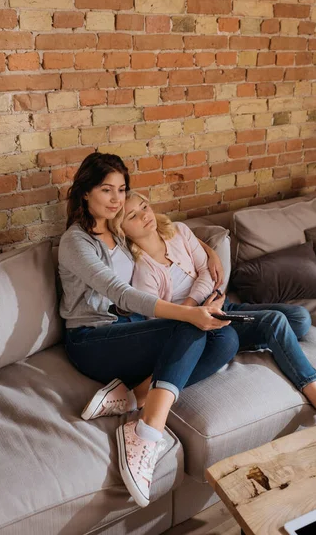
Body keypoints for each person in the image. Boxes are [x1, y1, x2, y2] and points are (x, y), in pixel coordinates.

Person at [86, 190, 316, 430]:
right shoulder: (142, 270)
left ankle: (248, 337)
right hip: (200, 322)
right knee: (274, 322)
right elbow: (157, 317)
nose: (144, 216)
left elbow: (209, 273)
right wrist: (193, 309)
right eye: (132, 216)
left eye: (144, 207)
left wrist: (208, 297)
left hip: (221, 305)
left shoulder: (180, 232)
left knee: (299, 318)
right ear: (121, 230)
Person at [58, 152, 239, 509]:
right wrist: (189, 314)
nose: (117, 200)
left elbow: (163, 235)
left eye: (122, 190)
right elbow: (122, 292)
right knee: (190, 325)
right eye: (106, 190)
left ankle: (133, 396)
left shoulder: (117, 229)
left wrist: (208, 252)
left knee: (226, 339)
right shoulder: (76, 242)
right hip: (91, 339)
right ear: (85, 193)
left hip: (129, 328)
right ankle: (144, 432)